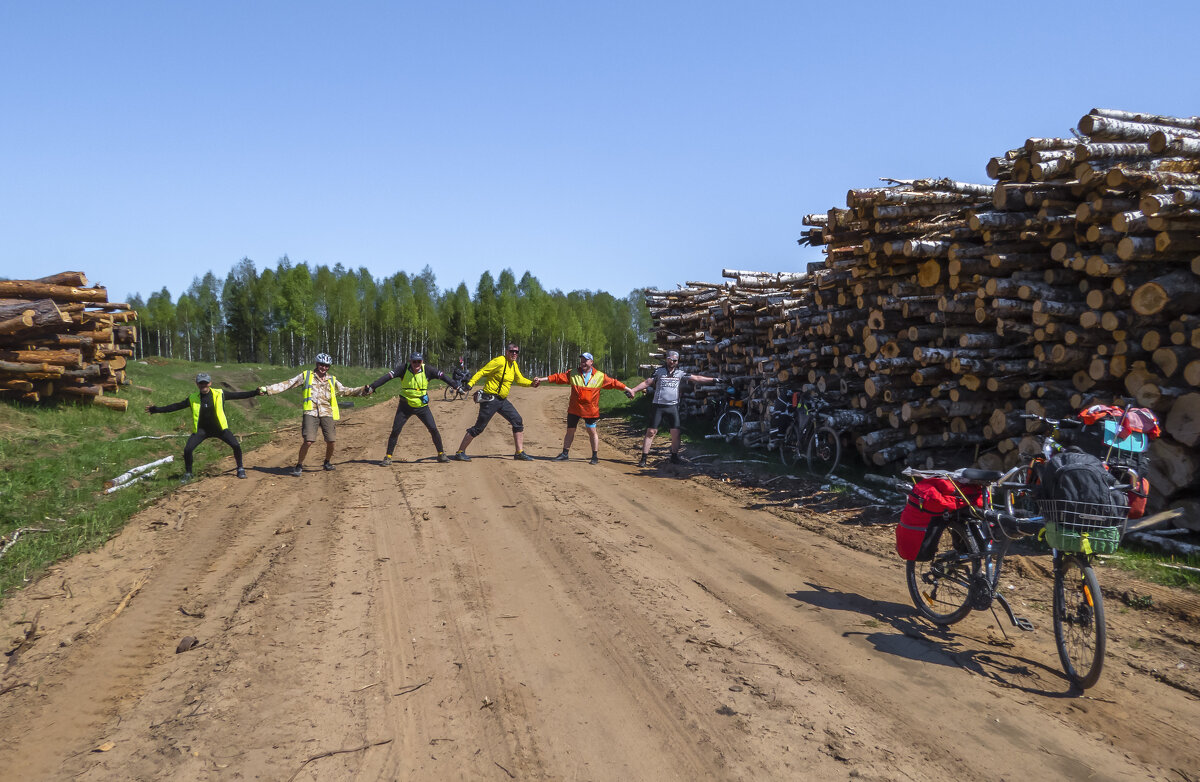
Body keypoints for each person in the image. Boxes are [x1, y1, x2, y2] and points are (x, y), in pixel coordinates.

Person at [259, 353, 371, 476]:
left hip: (326, 412)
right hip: (310, 412)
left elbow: (346, 390)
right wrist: (267, 389)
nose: (323, 368)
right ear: (317, 364)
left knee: (331, 441)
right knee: (308, 441)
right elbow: (287, 384)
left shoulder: (332, 380)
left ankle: (327, 462)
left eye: (326, 366)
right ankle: (299, 465)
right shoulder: (306, 376)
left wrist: (362, 390)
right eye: (321, 365)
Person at [146, 372, 263, 481]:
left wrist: (255, 392)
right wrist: (156, 410)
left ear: (210, 383)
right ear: (197, 384)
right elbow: (176, 406)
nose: (203, 385)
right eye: (201, 383)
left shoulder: (220, 394)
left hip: (220, 429)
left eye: (205, 383)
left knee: (236, 445)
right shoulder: (192, 398)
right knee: (188, 449)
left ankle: (240, 468)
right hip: (202, 431)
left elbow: (239, 395)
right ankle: (188, 473)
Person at [535, 352, 634, 465]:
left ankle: (595, 456)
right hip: (574, 409)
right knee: (570, 431)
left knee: (592, 432)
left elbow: (614, 383)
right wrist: (541, 380)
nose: (583, 363)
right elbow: (557, 377)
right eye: (581, 360)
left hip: (591, 410)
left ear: (591, 362)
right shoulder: (573, 373)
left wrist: (629, 389)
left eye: (585, 360)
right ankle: (564, 454)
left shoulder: (600, 376)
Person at [627, 350, 720, 467]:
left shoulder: (680, 373)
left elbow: (696, 378)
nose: (672, 362)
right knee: (651, 432)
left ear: (677, 361)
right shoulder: (659, 371)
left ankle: (674, 457)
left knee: (676, 433)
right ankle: (644, 458)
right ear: (667, 359)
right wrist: (633, 390)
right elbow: (647, 382)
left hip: (673, 406)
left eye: (674, 360)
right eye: (670, 359)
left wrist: (713, 380)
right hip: (658, 406)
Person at [369, 352, 463, 465]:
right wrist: (372, 386)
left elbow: (443, 377)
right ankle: (388, 457)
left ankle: (441, 454)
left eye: (419, 361)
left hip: (422, 407)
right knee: (395, 430)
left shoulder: (428, 370)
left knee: (433, 429)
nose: (416, 364)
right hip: (405, 406)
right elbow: (387, 377)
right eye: (414, 361)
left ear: (422, 362)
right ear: (410, 361)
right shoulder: (403, 368)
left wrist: (456, 386)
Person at [453, 343, 540, 461]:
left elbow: (519, 379)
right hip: (490, 399)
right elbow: (482, 372)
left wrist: (531, 383)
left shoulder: (513, 365)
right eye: (512, 351)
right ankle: (460, 452)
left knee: (517, 420)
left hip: (502, 401)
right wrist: (469, 384)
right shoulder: (499, 361)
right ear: (506, 351)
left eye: (516, 352)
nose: (514, 354)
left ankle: (519, 452)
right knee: (479, 428)